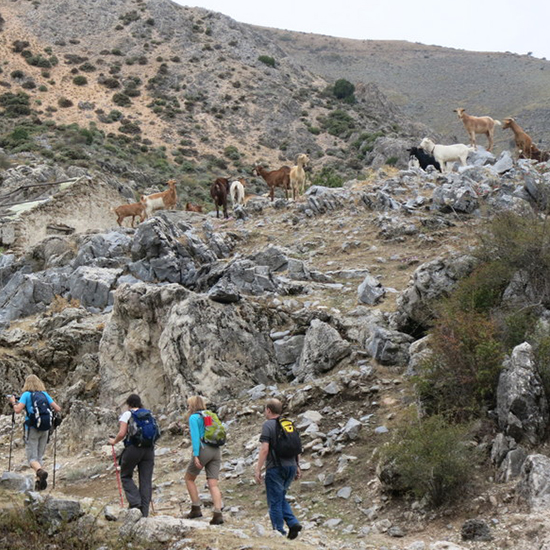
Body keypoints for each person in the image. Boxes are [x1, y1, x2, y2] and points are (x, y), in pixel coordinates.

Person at [254, 398, 302, 540]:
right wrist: (297, 465)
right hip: (291, 466)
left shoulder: (268, 425)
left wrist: (258, 469)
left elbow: (264, 449)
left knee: (274, 500)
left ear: (268, 410)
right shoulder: (288, 424)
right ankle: (293, 523)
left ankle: (278, 532)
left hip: (276, 468)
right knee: (280, 496)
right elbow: (297, 446)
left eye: (265, 409)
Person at [8, 374, 62, 491]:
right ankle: (39, 483)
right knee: (39, 456)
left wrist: (13, 402)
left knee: (32, 459)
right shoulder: (44, 394)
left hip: (32, 428)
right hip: (45, 429)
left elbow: (17, 410)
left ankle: (40, 473)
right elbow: (57, 408)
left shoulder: (26, 395)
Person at [108, 394, 155, 517]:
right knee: (145, 480)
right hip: (149, 449)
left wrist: (114, 441)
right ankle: (144, 513)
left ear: (128, 404)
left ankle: (135, 502)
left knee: (125, 475)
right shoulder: (148, 414)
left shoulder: (127, 414)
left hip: (133, 448)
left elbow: (122, 433)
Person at [184, 395, 224, 525]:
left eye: (189, 404)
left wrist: (196, 454)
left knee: (189, 478)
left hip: (203, 449)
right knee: (213, 484)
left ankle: (196, 508)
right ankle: (218, 513)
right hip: (216, 450)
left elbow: (195, 437)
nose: (188, 407)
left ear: (192, 405)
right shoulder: (210, 415)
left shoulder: (194, 417)